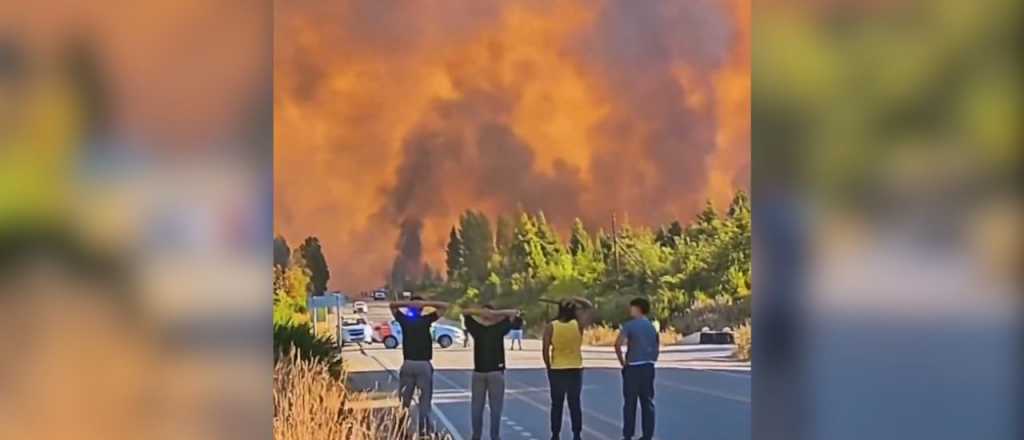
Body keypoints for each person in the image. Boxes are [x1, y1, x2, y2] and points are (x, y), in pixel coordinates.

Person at [389, 295, 450, 436]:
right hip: (423, 364)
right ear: (422, 309)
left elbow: (392, 305)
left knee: (404, 401)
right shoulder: (426, 320)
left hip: (408, 364)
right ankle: (424, 432)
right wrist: (422, 303)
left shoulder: (405, 320)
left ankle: (402, 429)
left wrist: (410, 304)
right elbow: (444, 306)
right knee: (424, 401)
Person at [462, 305, 519, 440]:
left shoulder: (476, 328)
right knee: (495, 408)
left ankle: (476, 435)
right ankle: (494, 436)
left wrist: (484, 312)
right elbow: (513, 313)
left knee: (477, 407)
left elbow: (466, 312)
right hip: (495, 372)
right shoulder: (498, 328)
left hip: (480, 372)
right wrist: (495, 313)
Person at [542, 298, 592, 440]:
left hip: (557, 368)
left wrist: (548, 366)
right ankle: (576, 434)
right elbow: (589, 306)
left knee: (557, 404)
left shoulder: (551, 326)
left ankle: (555, 434)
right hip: (575, 368)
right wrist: (575, 298)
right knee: (574, 403)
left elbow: (545, 349)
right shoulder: (578, 325)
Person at [614, 298, 660, 440]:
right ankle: (647, 435)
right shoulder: (652, 326)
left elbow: (617, 344)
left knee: (630, 403)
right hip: (648, 366)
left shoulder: (629, 325)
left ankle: (628, 434)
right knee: (647, 401)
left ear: (638, 308)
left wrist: (623, 362)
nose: (630, 310)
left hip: (633, 367)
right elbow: (657, 346)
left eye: (632, 307)